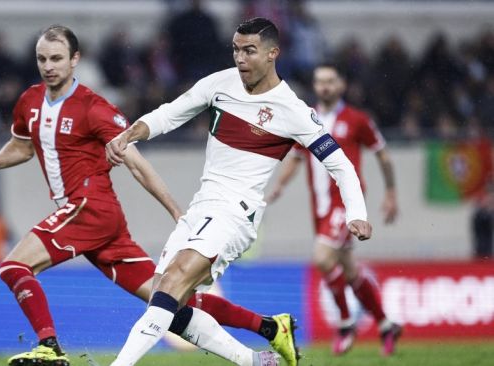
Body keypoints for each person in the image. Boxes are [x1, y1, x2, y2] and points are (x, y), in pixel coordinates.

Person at [0, 25, 290, 366]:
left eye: (57, 58)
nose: (49, 66)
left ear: (75, 60)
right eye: (42, 59)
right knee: (168, 301)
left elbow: (136, 164)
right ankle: (266, 333)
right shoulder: (29, 100)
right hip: (98, 221)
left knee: (13, 266)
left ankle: (48, 346)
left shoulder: (93, 108)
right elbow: (21, 147)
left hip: (89, 208)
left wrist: (176, 211)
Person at [106, 18, 371, 366]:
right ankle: (256, 361)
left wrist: (358, 214)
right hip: (202, 205)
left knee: (172, 284)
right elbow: (169, 114)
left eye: (250, 51)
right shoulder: (220, 84)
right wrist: (130, 134)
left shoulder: (293, 111)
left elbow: (341, 165)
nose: (240, 58)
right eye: (236, 49)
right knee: (166, 299)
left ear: (273, 53)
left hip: (235, 212)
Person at [266, 64, 402, 356]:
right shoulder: (307, 118)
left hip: (345, 205)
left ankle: (344, 324)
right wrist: (280, 185)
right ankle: (386, 324)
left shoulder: (357, 120)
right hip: (320, 207)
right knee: (350, 269)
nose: (324, 87)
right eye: (319, 82)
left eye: (330, 81)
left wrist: (390, 192)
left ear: (341, 85)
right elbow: (296, 157)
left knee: (323, 257)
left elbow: (383, 155)